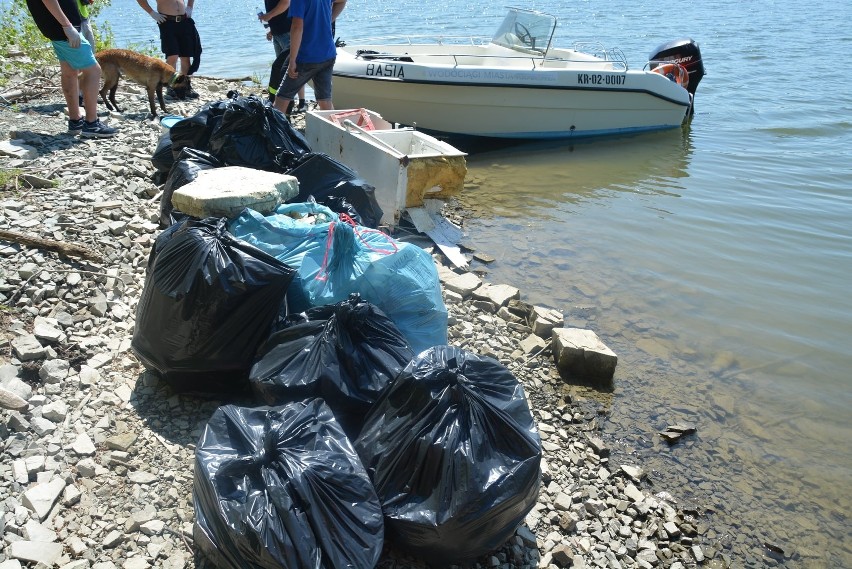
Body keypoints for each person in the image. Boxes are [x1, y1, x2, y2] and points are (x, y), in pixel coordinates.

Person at [24, 0, 118, 138]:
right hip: (63, 28)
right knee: (93, 70)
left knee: (69, 71)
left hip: (55, 27)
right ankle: (91, 123)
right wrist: (67, 25)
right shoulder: (65, 27)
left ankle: (75, 121)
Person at [272, 0, 346, 115]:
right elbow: (342, 1)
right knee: (325, 100)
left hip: (306, 56)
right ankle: (334, 131)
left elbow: (297, 27)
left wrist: (292, 60)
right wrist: (327, 21)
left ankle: (273, 132)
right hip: (328, 54)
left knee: (281, 98)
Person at [136, 0, 200, 99]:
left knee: (185, 57)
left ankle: (185, 86)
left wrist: (190, 7)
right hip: (167, 22)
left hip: (184, 20)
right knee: (172, 56)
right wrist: (152, 13)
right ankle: (171, 86)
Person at [259, 0, 305, 113]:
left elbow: (286, 3)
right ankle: (286, 100)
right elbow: (273, 7)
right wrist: (270, 29)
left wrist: (268, 16)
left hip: (288, 32)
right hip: (277, 33)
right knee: (281, 70)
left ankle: (302, 102)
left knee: (293, 68)